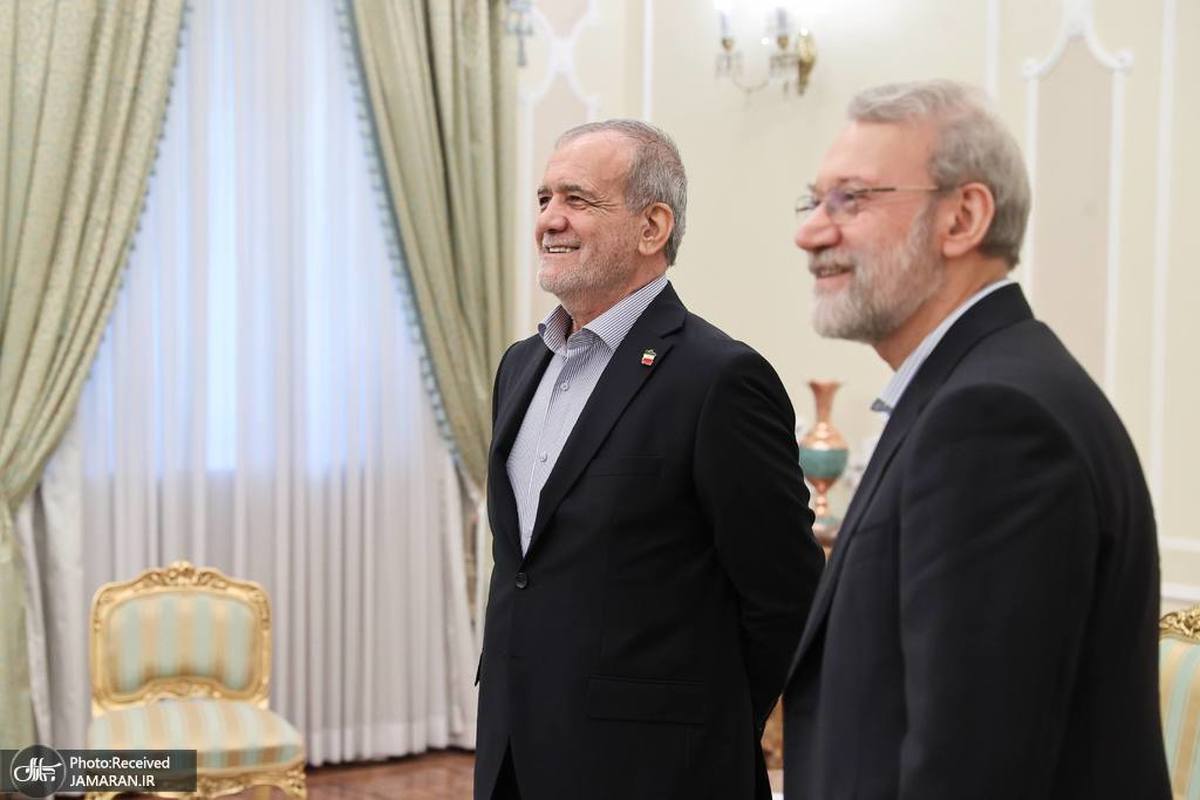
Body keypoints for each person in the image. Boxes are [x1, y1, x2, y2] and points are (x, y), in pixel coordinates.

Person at [782, 79, 1170, 799]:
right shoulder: (983, 388)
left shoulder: (993, 420)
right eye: (814, 202)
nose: (812, 233)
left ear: (962, 218)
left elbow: (971, 769)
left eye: (851, 200)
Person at [475, 119, 824, 800]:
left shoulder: (720, 379)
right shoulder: (519, 366)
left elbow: (786, 598)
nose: (549, 219)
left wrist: (704, 726)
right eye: (544, 198)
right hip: (513, 749)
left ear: (652, 226)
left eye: (577, 199)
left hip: (657, 768)